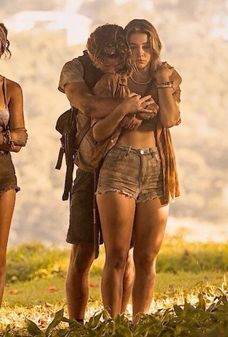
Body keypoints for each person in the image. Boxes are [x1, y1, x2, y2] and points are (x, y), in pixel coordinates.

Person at [58, 24, 154, 321]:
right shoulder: (75, 68)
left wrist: (132, 109)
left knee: (123, 254)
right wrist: (127, 108)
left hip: (126, 163)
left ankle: (119, 321)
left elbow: (157, 104)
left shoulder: (132, 65)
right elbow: (86, 104)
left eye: (117, 55)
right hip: (89, 166)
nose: (112, 61)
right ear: (92, 52)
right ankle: (77, 323)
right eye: (106, 57)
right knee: (83, 253)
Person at [92, 19, 182, 320]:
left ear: (154, 46)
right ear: (125, 49)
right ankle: (113, 322)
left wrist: (163, 83)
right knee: (117, 255)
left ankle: (140, 322)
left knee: (146, 257)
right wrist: (124, 109)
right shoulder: (109, 82)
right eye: (133, 47)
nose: (140, 53)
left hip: (156, 165)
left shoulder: (168, 77)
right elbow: (98, 133)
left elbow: (169, 119)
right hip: (119, 164)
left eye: (146, 46)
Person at [0, 23, 28, 306]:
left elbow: (22, 137)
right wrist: (8, 138)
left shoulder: (10, 88)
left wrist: (8, 139)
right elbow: (14, 138)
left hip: (3, 176)